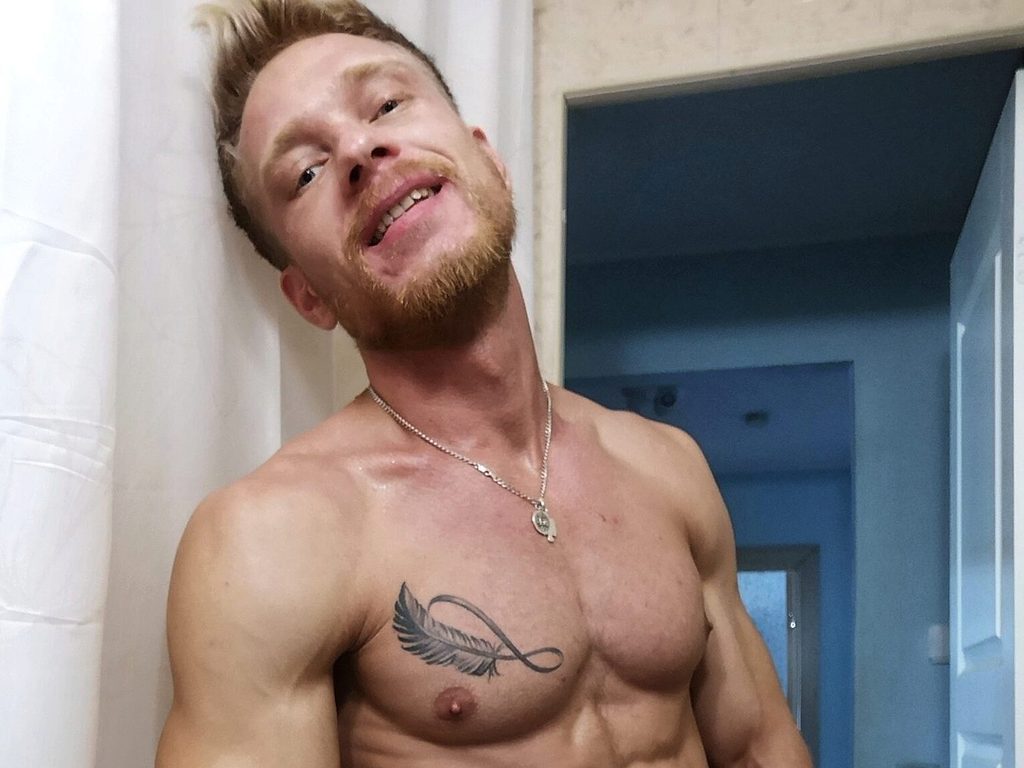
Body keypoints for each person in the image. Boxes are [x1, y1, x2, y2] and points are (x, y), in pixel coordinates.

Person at [156, 2, 814, 766]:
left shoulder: (668, 467)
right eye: (305, 171)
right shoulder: (273, 536)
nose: (360, 149)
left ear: (490, 163)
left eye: (387, 104)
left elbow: (759, 744)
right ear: (309, 297)